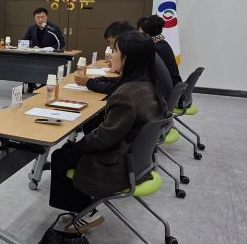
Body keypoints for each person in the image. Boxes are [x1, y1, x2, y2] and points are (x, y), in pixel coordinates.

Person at [49, 31, 166, 231]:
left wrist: (78, 145)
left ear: (128, 58)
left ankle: (85, 212)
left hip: (119, 164)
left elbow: (105, 137)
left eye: (115, 50)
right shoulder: (148, 85)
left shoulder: (126, 94)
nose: (111, 54)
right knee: (86, 132)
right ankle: (83, 208)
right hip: (140, 161)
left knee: (61, 155)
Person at [74, 20, 173, 101]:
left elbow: (120, 88)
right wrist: (97, 80)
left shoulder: (140, 55)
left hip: (156, 103)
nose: (111, 49)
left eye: (115, 48)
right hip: (158, 104)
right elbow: (124, 81)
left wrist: (90, 83)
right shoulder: (144, 50)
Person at [22, 7, 65, 92]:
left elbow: (61, 43)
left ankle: (43, 85)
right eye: (38, 18)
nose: (40, 20)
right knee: (27, 64)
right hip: (35, 56)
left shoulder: (54, 28)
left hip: (50, 57)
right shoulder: (31, 28)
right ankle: (31, 84)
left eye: (42, 17)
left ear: (47, 17)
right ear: (34, 18)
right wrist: (32, 46)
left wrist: (51, 49)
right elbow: (25, 41)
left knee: (45, 68)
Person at [138, 15, 182, 86]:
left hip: (165, 87)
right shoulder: (163, 43)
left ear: (145, 32)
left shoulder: (153, 48)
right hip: (173, 84)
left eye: (140, 31)